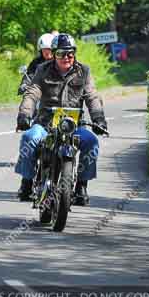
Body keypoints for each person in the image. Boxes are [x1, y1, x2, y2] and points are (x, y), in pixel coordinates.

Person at [15, 33, 109, 206]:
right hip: (45, 123)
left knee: (91, 142)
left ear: (74, 54)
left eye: (70, 53)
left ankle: (81, 186)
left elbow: (92, 96)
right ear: (54, 54)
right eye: (60, 54)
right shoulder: (42, 70)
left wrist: (99, 118)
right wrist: (25, 115)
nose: (66, 57)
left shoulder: (84, 71)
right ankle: (27, 182)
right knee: (29, 138)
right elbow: (32, 93)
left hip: (73, 125)